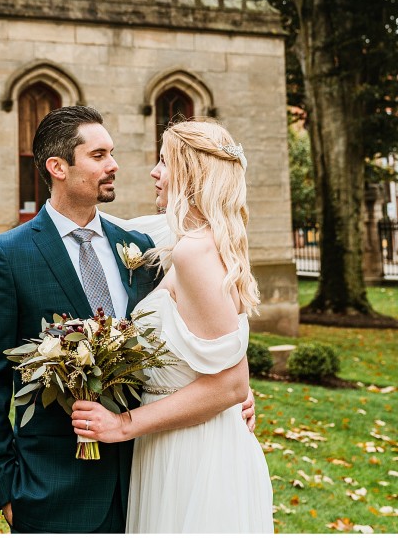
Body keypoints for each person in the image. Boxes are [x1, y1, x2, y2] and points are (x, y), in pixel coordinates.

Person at [0, 106, 254, 534]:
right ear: (58, 167)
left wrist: (235, 394)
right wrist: (4, 489)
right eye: (99, 155)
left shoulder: (140, 246)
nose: (114, 165)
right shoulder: (7, 257)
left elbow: (198, 323)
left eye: (112, 153)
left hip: (147, 474)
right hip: (54, 490)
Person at [71, 119, 274, 533]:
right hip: (178, 438)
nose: (154, 172)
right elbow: (107, 228)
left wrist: (122, 425)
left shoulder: (194, 252)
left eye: (164, 162)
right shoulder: (196, 235)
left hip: (193, 452)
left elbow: (231, 384)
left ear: (190, 173)